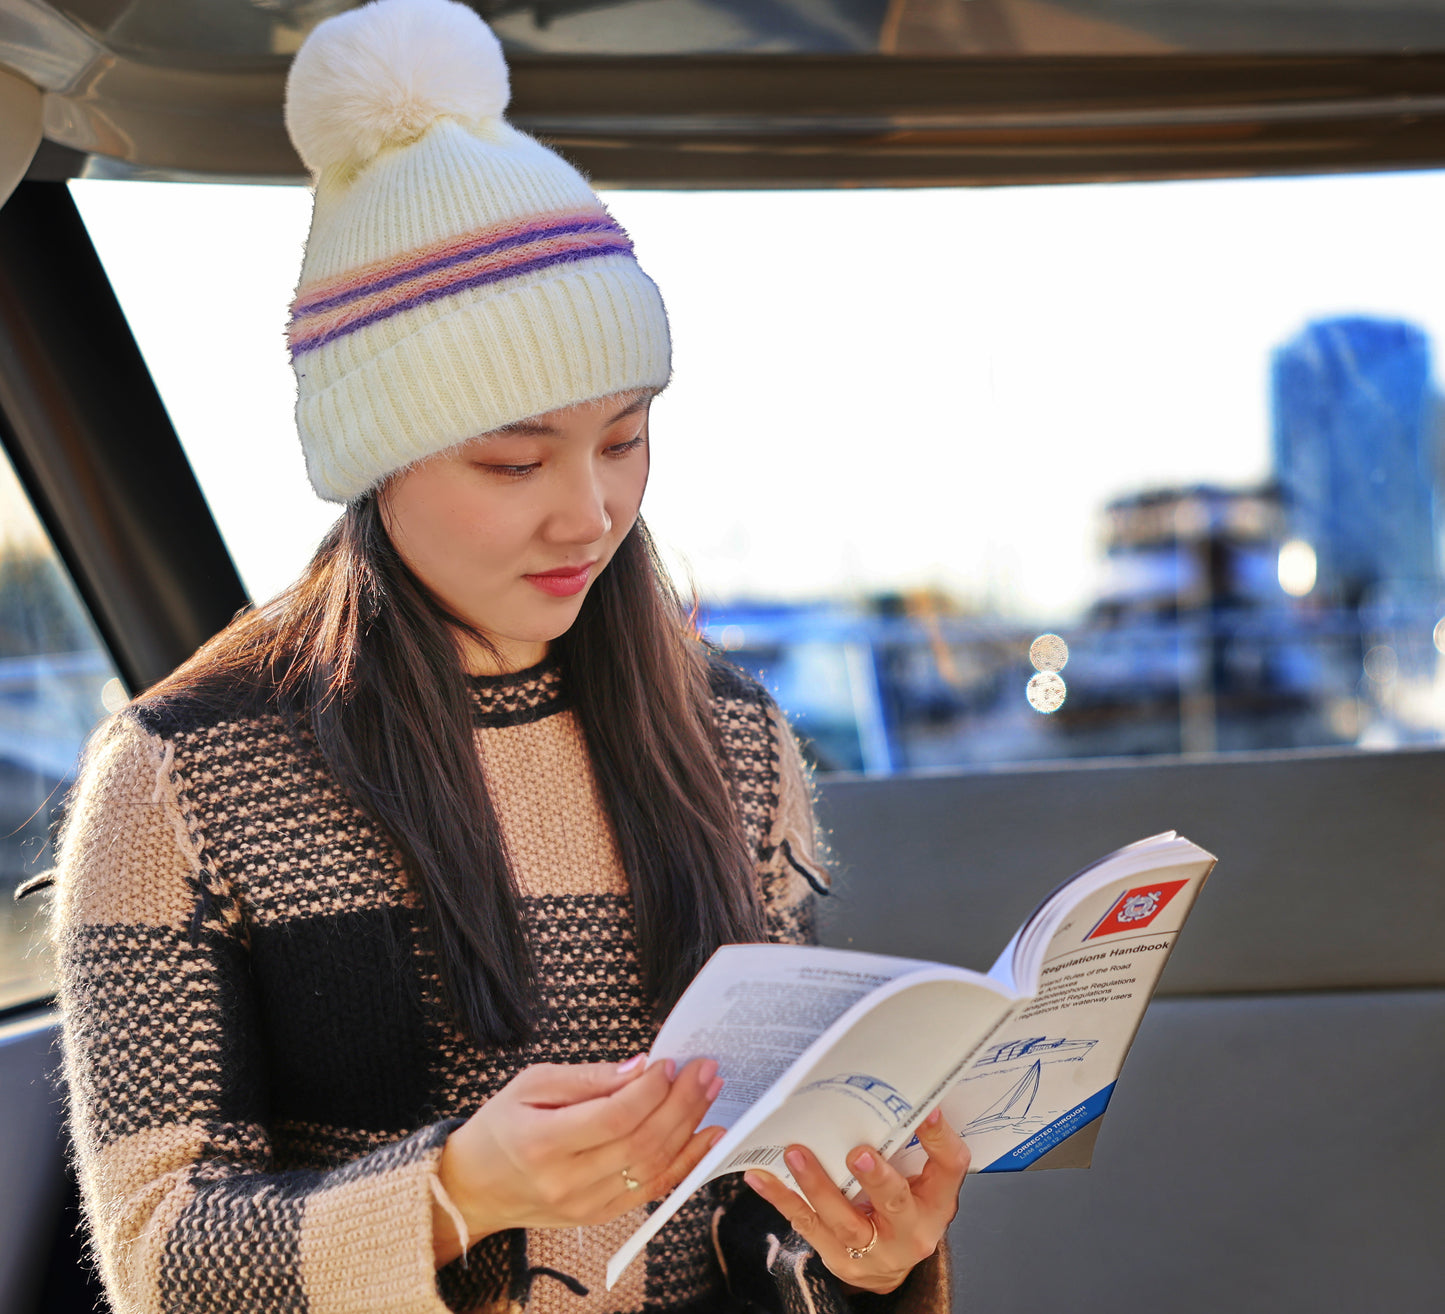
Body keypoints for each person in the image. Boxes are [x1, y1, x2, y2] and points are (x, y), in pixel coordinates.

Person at [49, 2, 969, 1311]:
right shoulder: (180, 776)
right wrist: (458, 1189)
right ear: (375, 456)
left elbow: (767, 1210)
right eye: (512, 458)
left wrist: (877, 1254)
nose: (589, 509)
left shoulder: (732, 736)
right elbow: (157, 1259)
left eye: (624, 434)